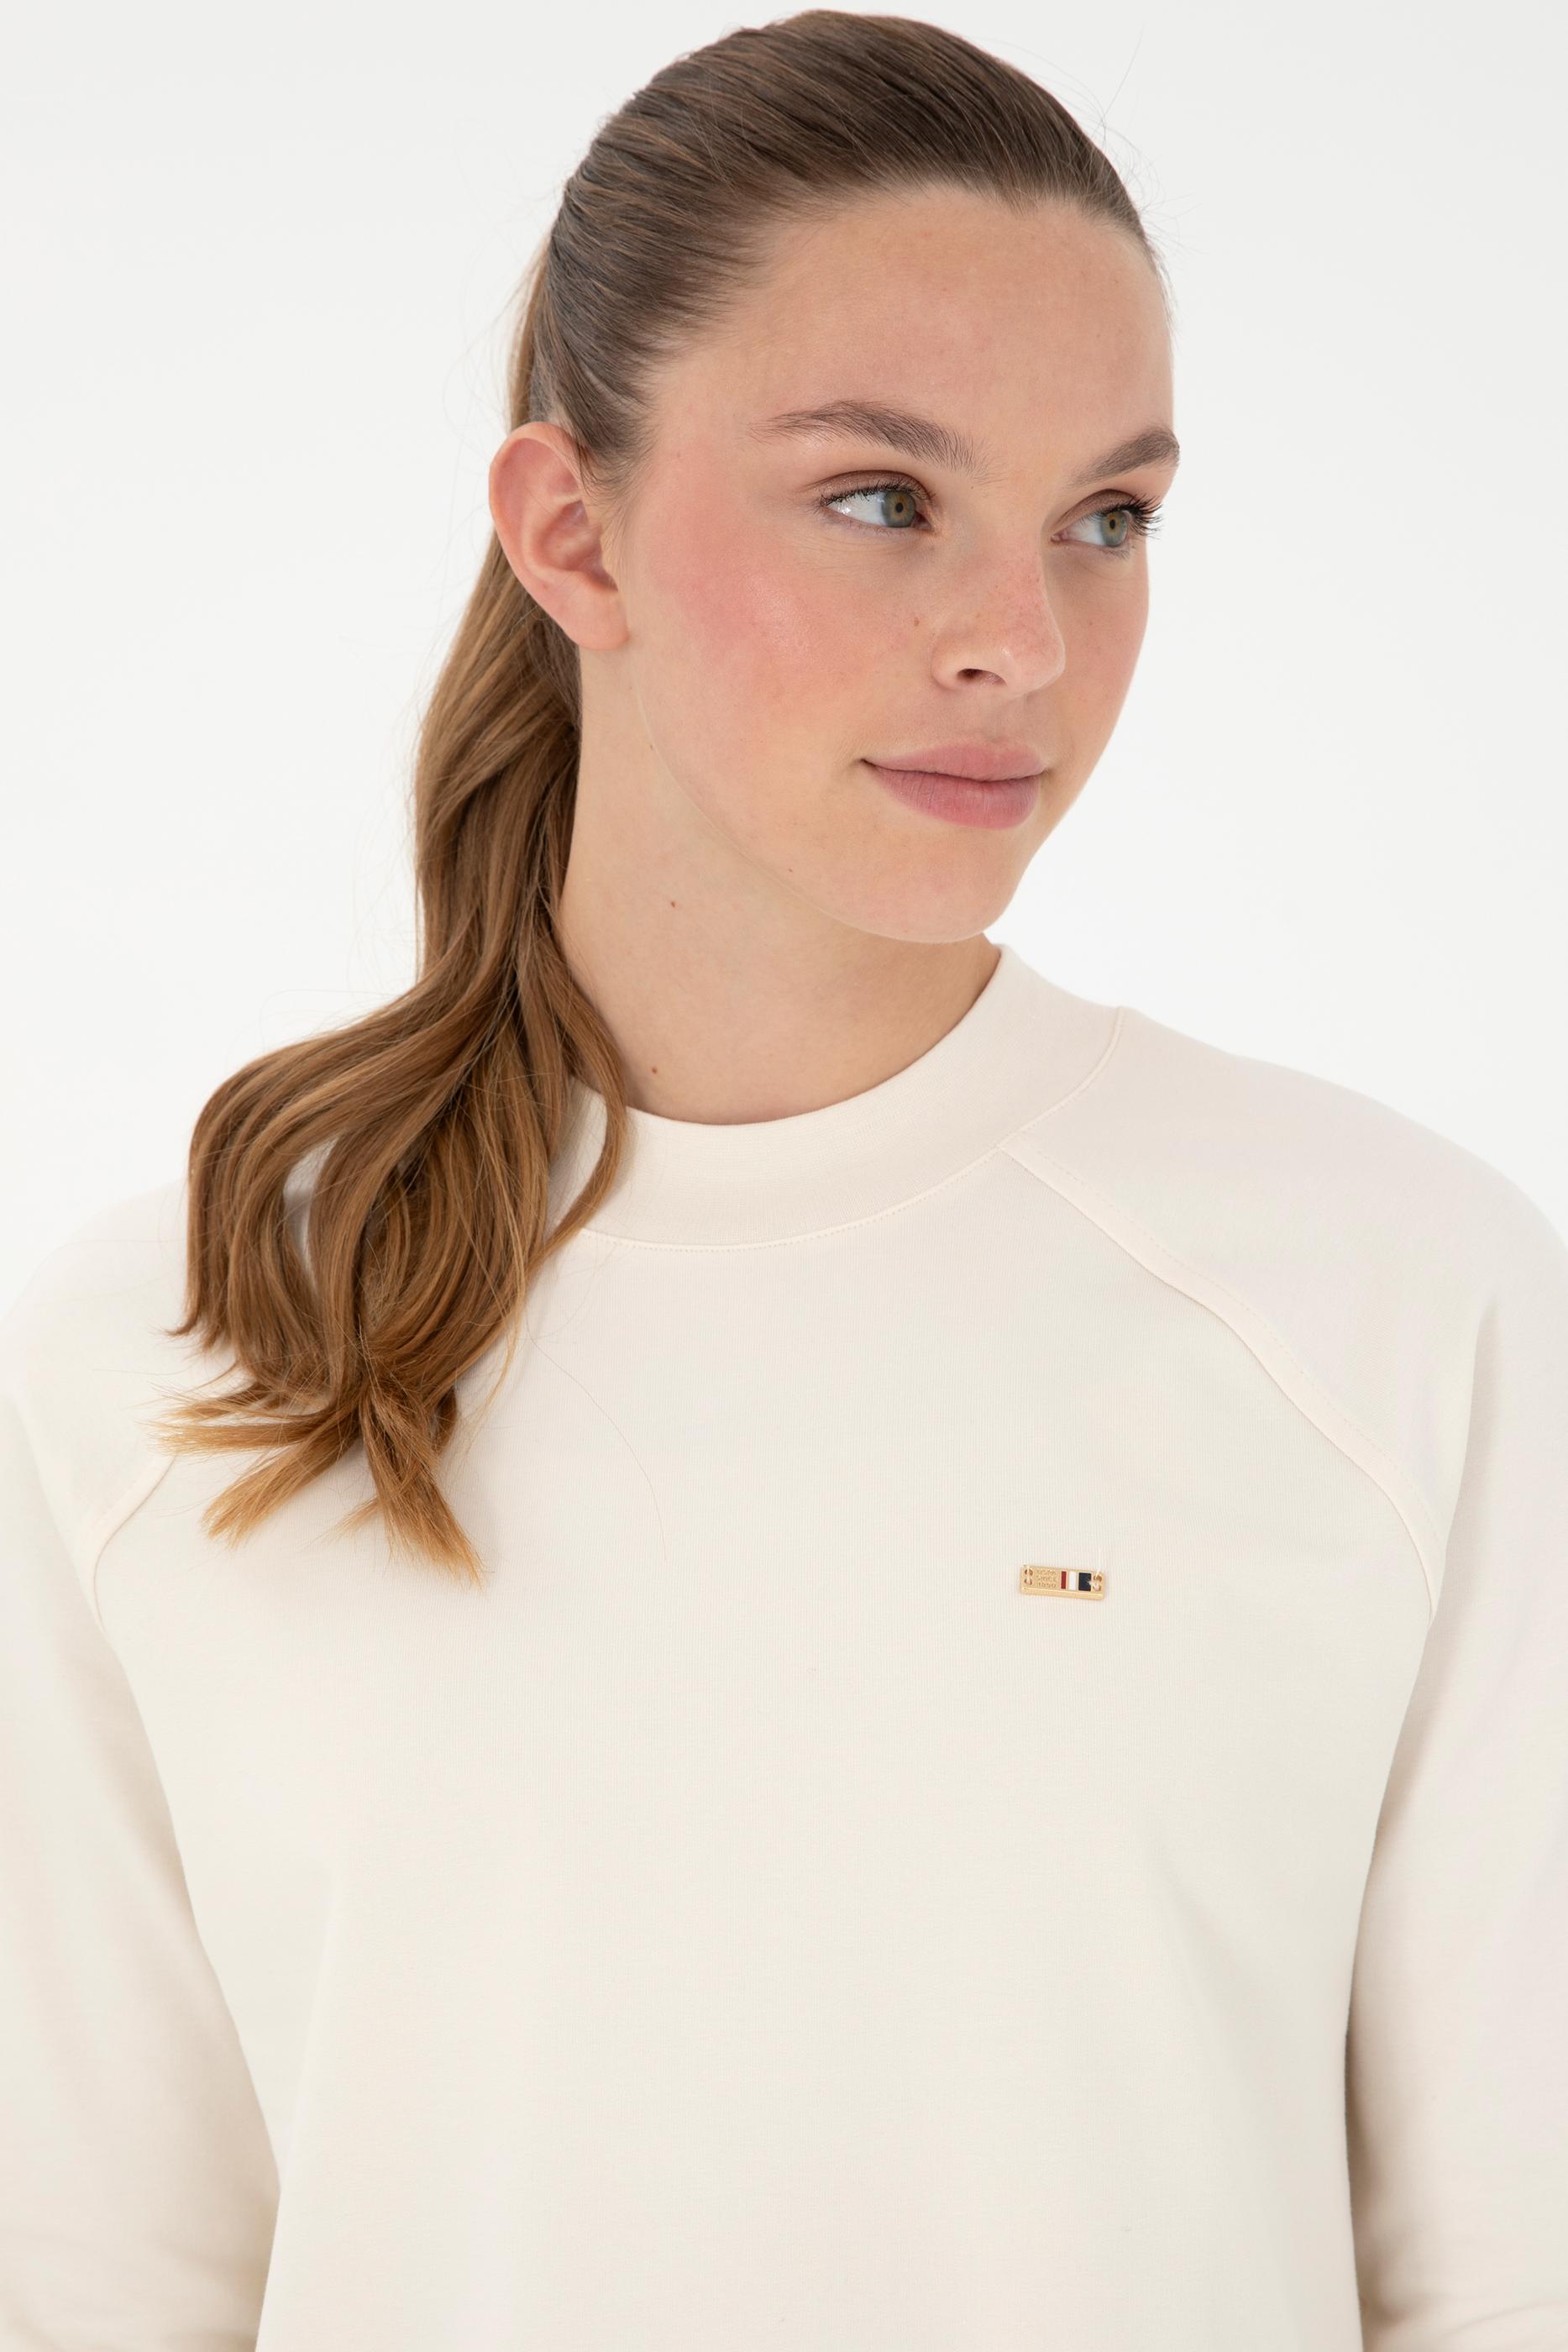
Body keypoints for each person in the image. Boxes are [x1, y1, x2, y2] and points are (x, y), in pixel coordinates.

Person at [3, 11, 1565, 2347]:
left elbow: (1515, 2273)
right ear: (572, 531)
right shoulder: (176, 1359)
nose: (1018, 641)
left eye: (1108, 518)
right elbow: (93, 2283)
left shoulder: (1393, 1303)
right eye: (881, 499)